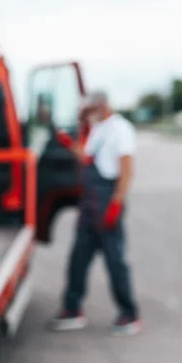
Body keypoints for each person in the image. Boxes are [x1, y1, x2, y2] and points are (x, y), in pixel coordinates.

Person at [50, 90, 141, 335]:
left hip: (107, 202)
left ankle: (129, 314)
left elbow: (126, 171)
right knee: (78, 260)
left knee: (115, 262)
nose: (87, 115)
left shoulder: (121, 129)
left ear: (101, 105)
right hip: (89, 205)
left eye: (89, 110)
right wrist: (68, 143)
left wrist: (116, 204)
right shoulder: (98, 129)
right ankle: (72, 309)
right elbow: (87, 158)